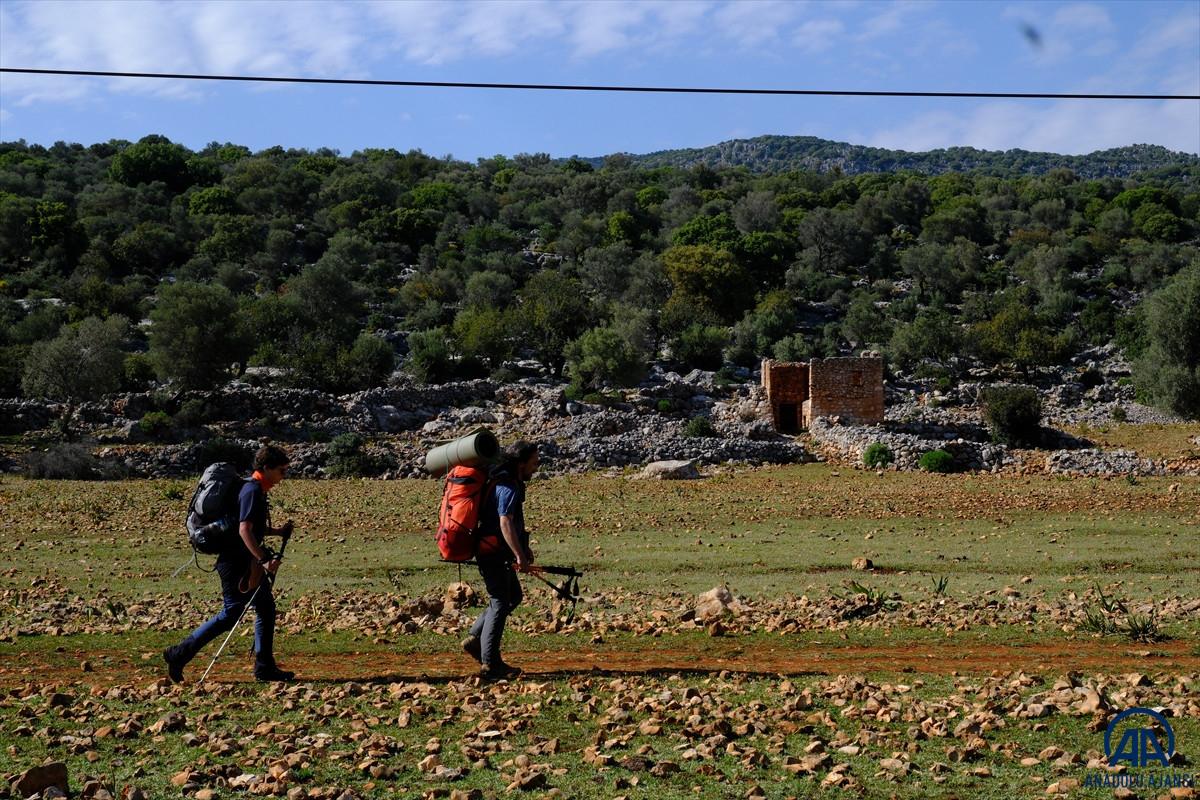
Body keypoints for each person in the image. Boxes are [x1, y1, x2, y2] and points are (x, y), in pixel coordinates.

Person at [164, 444, 296, 683]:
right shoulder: (252, 490)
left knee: (265, 608)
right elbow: (244, 529)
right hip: (236, 562)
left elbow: (248, 525)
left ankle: (264, 667)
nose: (283, 477)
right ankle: (178, 654)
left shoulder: (253, 489)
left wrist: (277, 531)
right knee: (231, 613)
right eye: (281, 470)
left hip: (243, 560)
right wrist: (264, 559)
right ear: (266, 468)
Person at [462, 440, 540, 681]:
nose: (536, 468)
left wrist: (522, 549)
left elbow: (512, 522)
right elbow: (505, 521)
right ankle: (491, 663)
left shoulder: (508, 481)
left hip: (494, 550)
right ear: (520, 463)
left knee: (512, 596)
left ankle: (476, 639)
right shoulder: (507, 485)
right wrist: (519, 554)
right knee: (500, 600)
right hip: (493, 551)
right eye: (533, 463)